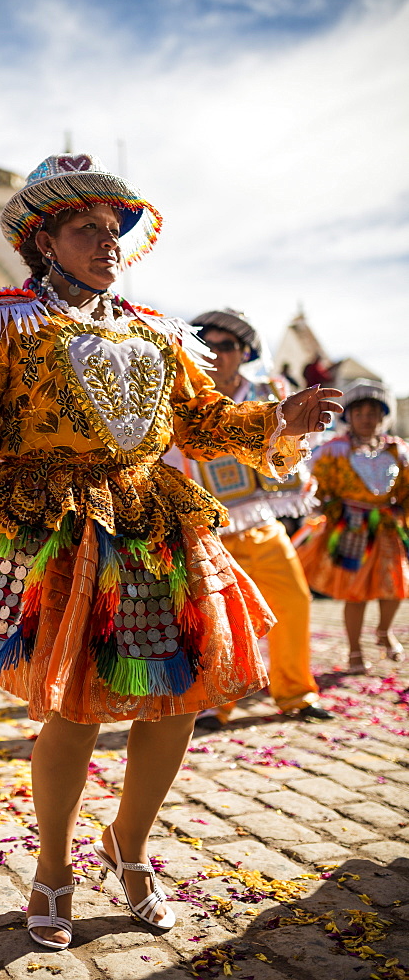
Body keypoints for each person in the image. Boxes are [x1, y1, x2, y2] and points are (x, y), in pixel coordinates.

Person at [0, 155, 341, 949]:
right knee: (74, 706)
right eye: (85, 230)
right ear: (43, 240)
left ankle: (128, 846)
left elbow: (201, 424)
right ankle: (52, 867)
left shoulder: (156, 331)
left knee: (178, 696)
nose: (107, 243)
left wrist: (278, 420)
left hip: (153, 521)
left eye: (114, 230)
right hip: (59, 523)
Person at [163, 310, 332, 730]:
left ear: (245, 352)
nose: (217, 354)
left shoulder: (270, 391)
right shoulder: (182, 397)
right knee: (209, 618)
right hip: (205, 531)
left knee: (294, 599)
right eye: (209, 345)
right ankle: (211, 702)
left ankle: (295, 692)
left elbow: (300, 448)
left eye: (228, 346)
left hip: (261, 524)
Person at [298, 379, 408, 673]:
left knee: (394, 587)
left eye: (373, 413)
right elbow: (314, 487)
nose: (366, 419)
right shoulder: (334, 450)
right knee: (355, 591)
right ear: (348, 417)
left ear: (382, 416)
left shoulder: (398, 451)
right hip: (351, 529)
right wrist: (326, 509)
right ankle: (355, 651)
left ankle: (384, 631)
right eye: (359, 413)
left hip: (385, 528)